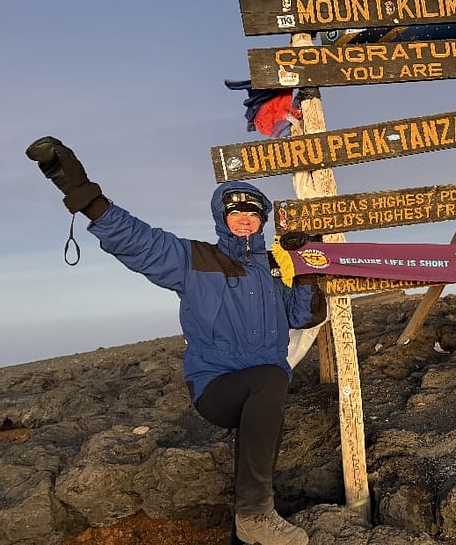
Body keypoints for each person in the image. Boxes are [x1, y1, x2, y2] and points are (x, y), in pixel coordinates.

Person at [26, 136, 325, 545]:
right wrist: (79, 188)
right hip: (216, 386)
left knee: (258, 440)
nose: (244, 217)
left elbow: (304, 315)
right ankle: (256, 516)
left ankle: (248, 531)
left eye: (253, 212)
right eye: (235, 209)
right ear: (222, 215)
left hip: (260, 388)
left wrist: (307, 267)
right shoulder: (194, 260)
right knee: (272, 380)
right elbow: (137, 241)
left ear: (263, 220)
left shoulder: (272, 269)